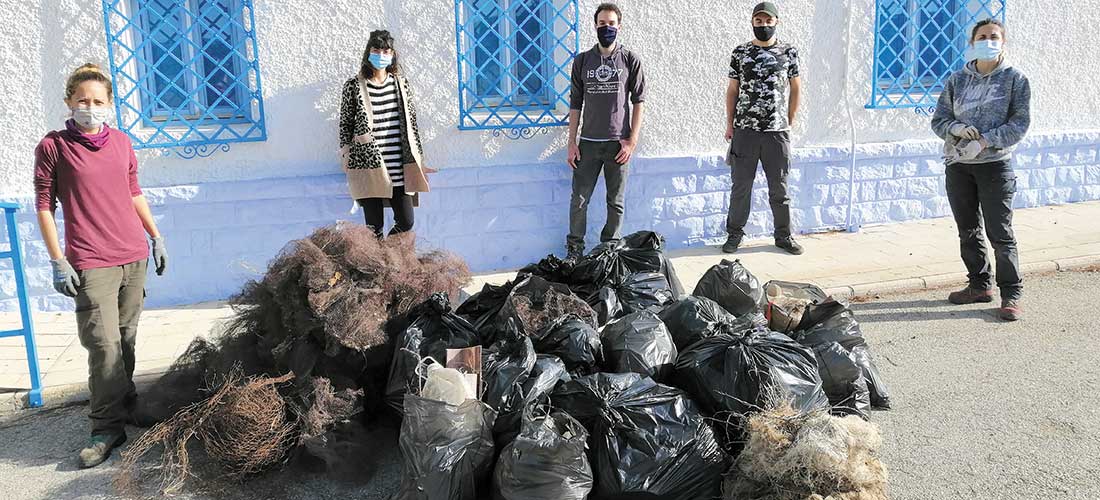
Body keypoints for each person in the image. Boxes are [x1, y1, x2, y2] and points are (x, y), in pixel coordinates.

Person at [33, 63, 168, 468]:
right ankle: (106, 427)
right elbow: (44, 206)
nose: (89, 107)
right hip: (91, 261)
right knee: (103, 347)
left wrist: (155, 236)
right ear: (69, 102)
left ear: (109, 103)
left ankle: (127, 404)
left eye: (97, 101)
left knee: (126, 339)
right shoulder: (54, 147)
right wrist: (58, 260)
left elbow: (133, 192)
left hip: (133, 255)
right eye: (82, 101)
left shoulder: (122, 143)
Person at [931, 19, 1030, 321]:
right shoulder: (957, 80)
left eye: (994, 36)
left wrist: (986, 141)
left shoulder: (1015, 79)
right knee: (968, 229)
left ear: (1003, 42)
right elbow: (939, 120)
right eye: (982, 36)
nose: (989, 41)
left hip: (995, 167)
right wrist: (956, 129)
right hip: (959, 166)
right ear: (972, 42)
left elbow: (1019, 124)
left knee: (1000, 233)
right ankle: (978, 285)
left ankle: (1010, 294)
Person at [565, 2, 646, 261]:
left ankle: (608, 249)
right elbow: (575, 103)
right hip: (587, 144)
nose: (606, 28)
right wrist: (572, 142)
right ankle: (574, 249)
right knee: (579, 200)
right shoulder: (582, 61)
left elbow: (639, 101)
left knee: (616, 201)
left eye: (611, 23)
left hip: (617, 145)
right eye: (602, 23)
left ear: (619, 26)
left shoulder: (630, 59)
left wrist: (631, 141)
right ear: (595, 25)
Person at [723, 1, 803, 255]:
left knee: (779, 188)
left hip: (776, 133)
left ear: (776, 22)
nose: (763, 25)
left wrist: (789, 120)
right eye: (759, 21)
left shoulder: (789, 52)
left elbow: (796, 88)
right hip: (745, 131)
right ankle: (735, 235)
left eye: (768, 21)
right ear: (752, 22)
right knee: (741, 187)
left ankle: (783, 236)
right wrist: (729, 124)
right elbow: (733, 90)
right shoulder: (741, 52)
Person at [339, 30, 433, 238]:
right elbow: (345, 124)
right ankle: (378, 257)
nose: (381, 55)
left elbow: (412, 123)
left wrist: (419, 160)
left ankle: (387, 253)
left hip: (399, 165)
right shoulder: (353, 85)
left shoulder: (401, 83)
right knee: (374, 228)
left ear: (392, 54)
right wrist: (345, 154)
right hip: (368, 164)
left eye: (386, 51)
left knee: (406, 222)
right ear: (368, 52)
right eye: (376, 50)